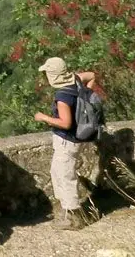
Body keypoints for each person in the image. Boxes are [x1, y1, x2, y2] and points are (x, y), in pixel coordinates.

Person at [32, 57, 103, 229]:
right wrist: (85, 98)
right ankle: (67, 210)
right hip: (75, 139)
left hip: (67, 141)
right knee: (57, 172)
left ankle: (74, 218)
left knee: (65, 176)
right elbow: (92, 75)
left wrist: (44, 118)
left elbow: (66, 123)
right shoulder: (76, 80)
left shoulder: (62, 95)